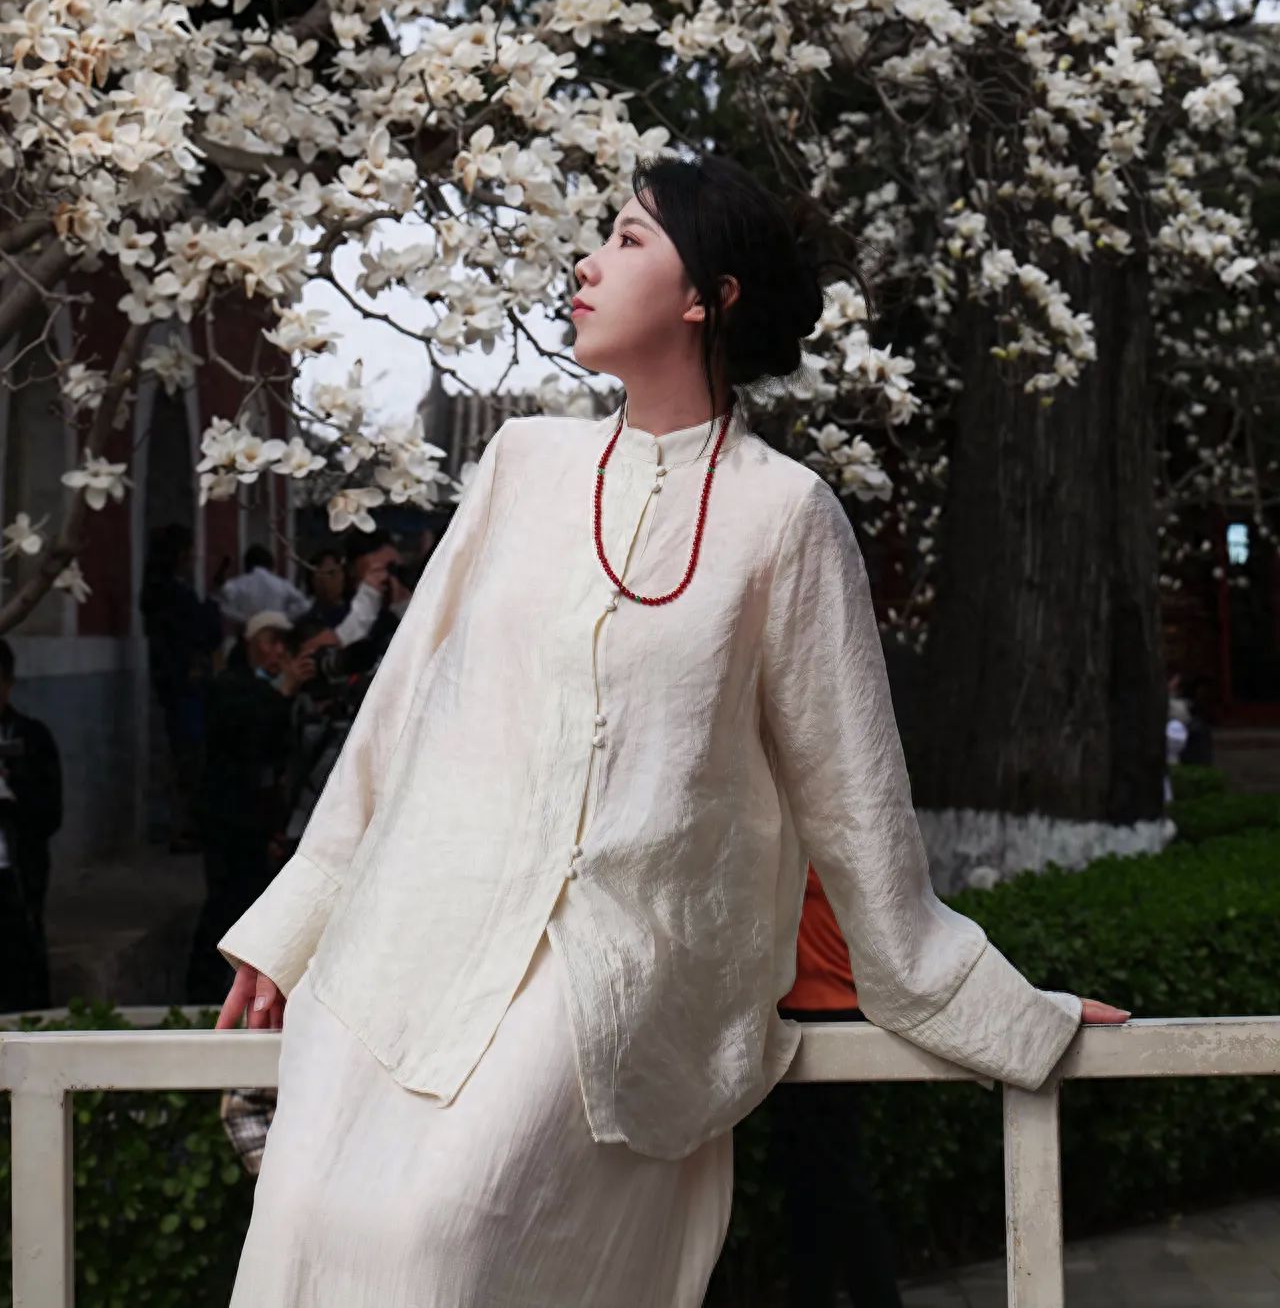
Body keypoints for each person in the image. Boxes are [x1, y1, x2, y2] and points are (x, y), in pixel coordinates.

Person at [214, 151, 1129, 1308]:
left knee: (436, 1238)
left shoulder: (784, 516)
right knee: (302, 1218)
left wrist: (998, 1004)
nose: (588, 263)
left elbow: (852, 801)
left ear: (709, 296)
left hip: (614, 965)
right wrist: (293, 921)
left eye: (630, 240)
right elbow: (402, 715)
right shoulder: (520, 465)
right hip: (413, 932)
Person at [769, 864, 903, 1308]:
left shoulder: (811, 846)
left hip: (825, 1017)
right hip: (808, 1015)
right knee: (813, 1184)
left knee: (834, 1183)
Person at [185, 612, 316, 1003]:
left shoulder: (280, 690)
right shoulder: (230, 686)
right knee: (225, 904)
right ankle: (203, 990)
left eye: (282, 644)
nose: (276, 651)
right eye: (269, 641)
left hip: (264, 817)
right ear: (249, 643)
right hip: (230, 817)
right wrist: (284, 689)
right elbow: (247, 736)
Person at [139, 523, 222, 852]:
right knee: (190, 759)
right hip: (185, 686)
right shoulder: (173, 593)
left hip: (177, 685)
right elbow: (204, 632)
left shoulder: (158, 591)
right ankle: (186, 827)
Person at [0, 639, 62, 1010]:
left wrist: (12, 794)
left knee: (19, 959)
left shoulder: (31, 737)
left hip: (15, 870)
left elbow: (50, 812)